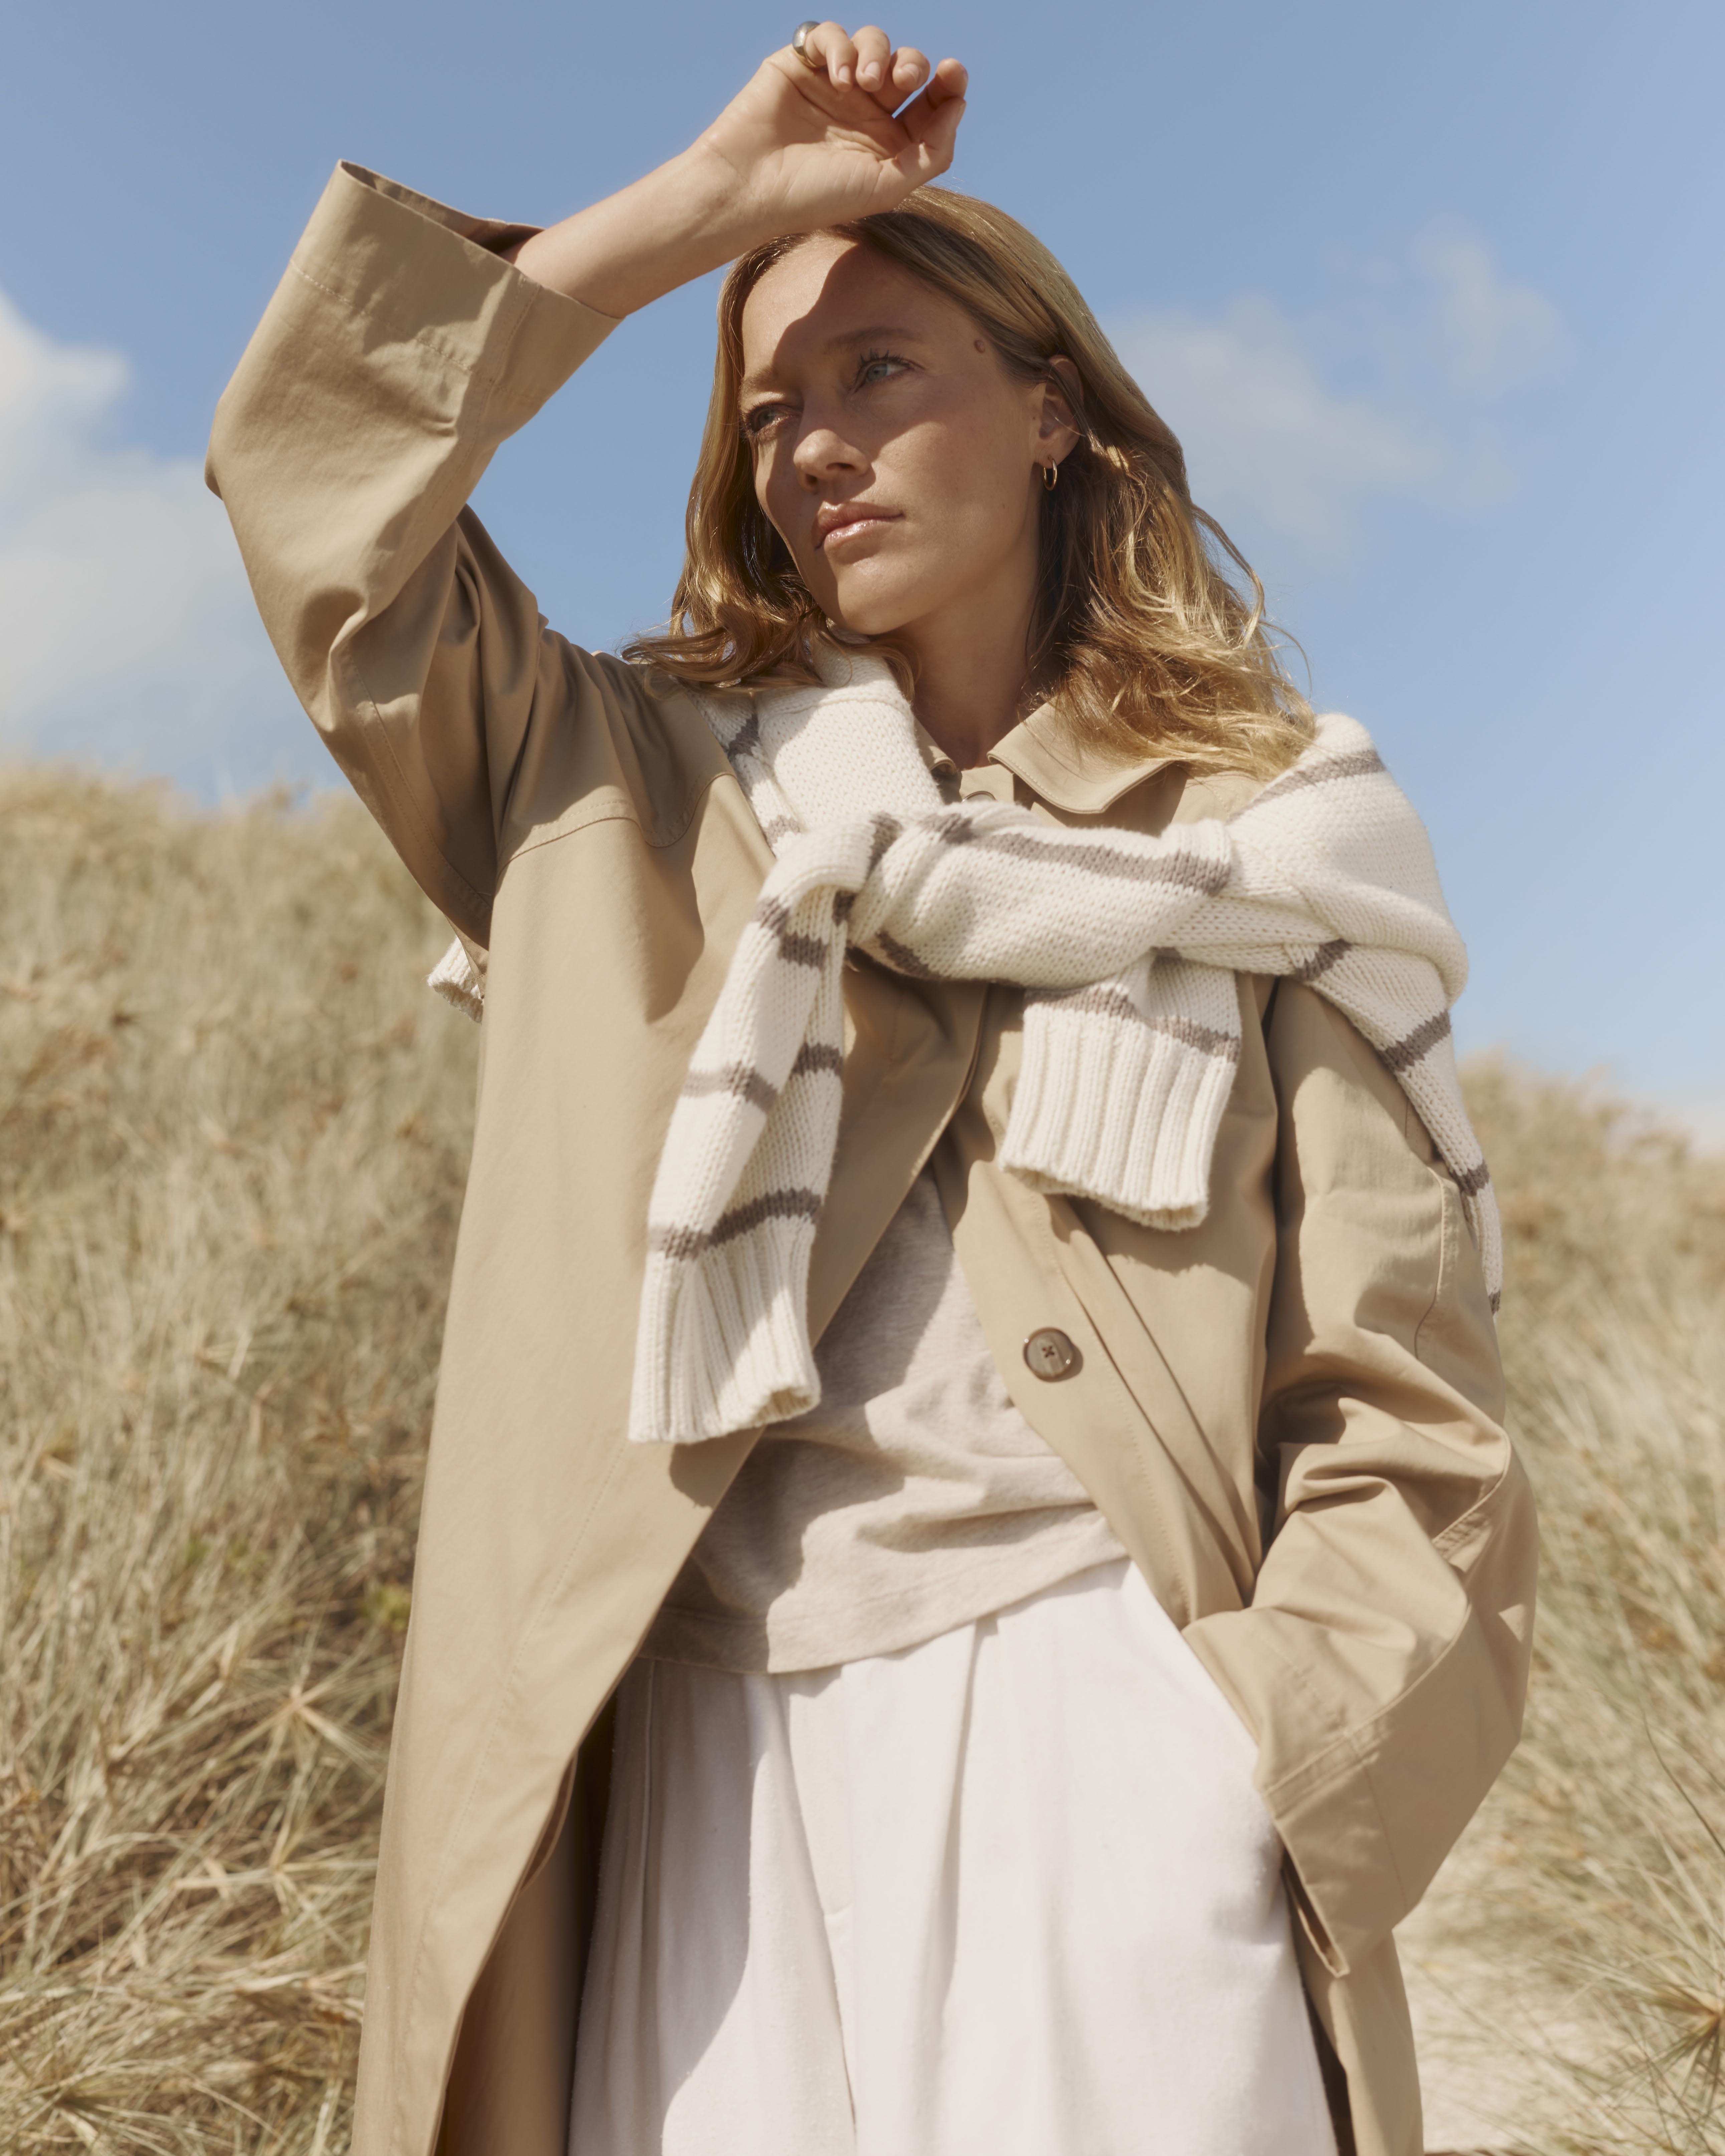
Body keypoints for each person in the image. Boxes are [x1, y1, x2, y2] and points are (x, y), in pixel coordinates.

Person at [207, 24, 1537, 2156]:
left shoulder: (1273, 849)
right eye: (768, 413)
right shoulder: (623, 787)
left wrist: (1251, 1763)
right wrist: (705, 210)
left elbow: (1412, 1417)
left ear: (1052, 411)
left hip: (1118, 1738)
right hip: (700, 1778)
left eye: (881, 373)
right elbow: (315, 485)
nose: (815, 447)